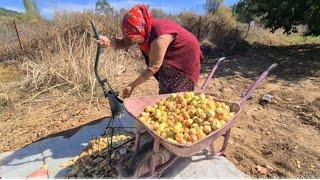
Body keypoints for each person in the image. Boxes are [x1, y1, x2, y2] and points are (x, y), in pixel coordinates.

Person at [97, 4, 203, 98]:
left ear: (142, 29)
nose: (133, 40)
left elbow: (153, 68)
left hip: (185, 56)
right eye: (131, 36)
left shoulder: (159, 37)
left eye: (134, 37)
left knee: (179, 95)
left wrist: (132, 86)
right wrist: (109, 42)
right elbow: (126, 42)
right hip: (167, 57)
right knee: (165, 90)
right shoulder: (142, 31)